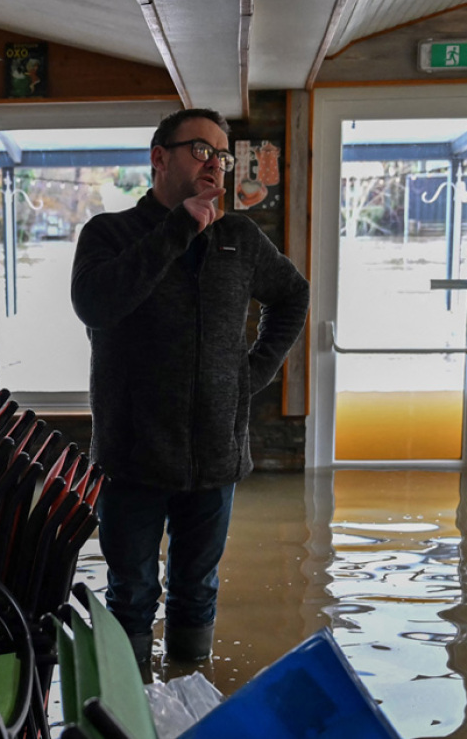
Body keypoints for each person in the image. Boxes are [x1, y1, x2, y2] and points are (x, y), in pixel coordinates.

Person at [70, 109, 309, 665]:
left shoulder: (239, 238)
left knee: (197, 591)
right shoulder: (110, 234)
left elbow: (292, 296)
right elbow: (96, 306)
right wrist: (182, 224)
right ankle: (133, 713)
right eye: (201, 150)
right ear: (159, 157)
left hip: (214, 452)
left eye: (222, 155)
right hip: (132, 454)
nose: (216, 165)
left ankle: (189, 697)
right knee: (131, 594)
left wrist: (250, 375)